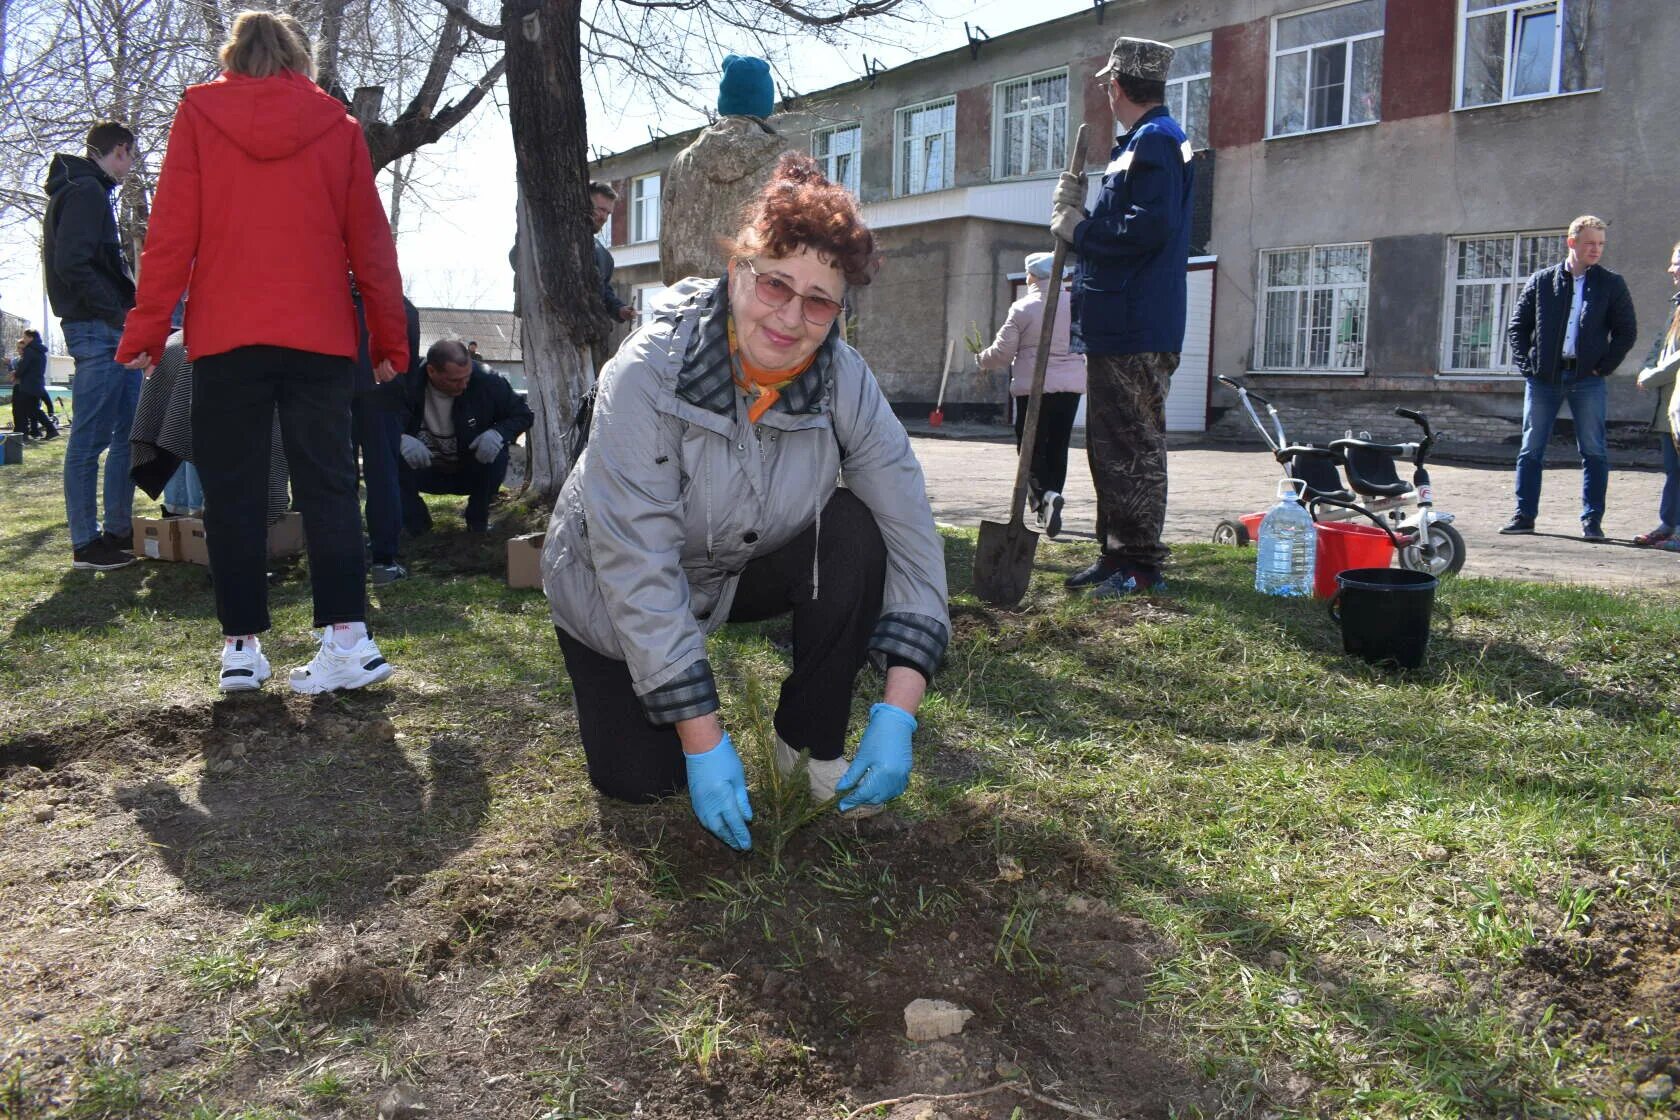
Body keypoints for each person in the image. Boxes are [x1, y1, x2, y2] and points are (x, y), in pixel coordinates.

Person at [542, 154, 950, 852]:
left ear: (839, 310)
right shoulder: (645, 374)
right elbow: (636, 564)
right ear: (738, 274)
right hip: (610, 593)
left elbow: (909, 524)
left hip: (737, 562)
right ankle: (676, 734)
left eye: (820, 300)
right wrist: (703, 738)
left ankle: (808, 745)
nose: (791, 318)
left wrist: (900, 711)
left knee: (854, 531)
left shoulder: (843, 379)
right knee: (642, 783)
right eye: (775, 285)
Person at [116, 10, 409, 694]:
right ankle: (349, 640)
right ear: (298, 61)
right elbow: (371, 243)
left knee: (234, 492)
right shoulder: (338, 128)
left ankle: (242, 649)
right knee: (330, 485)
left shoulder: (198, 114)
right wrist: (389, 339)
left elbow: (171, 233)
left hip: (226, 336)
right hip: (320, 337)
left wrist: (148, 328)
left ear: (231, 58)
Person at [1051, 36, 1193, 599]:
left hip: (1135, 322)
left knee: (1132, 444)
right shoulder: (1144, 141)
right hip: (1123, 321)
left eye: (1107, 84)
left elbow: (1146, 228)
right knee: (1111, 443)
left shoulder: (1156, 140)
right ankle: (1116, 556)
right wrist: (1081, 208)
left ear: (1116, 87)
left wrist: (1078, 230)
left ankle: (1139, 564)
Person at [1502, 215, 1639, 540]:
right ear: (1572, 242)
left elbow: (1626, 332)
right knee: (1531, 448)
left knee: (1593, 450)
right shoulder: (1542, 280)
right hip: (1544, 380)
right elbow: (1517, 327)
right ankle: (1524, 517)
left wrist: (1603, 367)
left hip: (1587, 380)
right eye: (1590, 243)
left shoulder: (1611, 283)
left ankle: (1592, 522)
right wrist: (1528, 366)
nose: (1596, 249)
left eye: (1601, 244)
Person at [44, 120, 140, 570]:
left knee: (127, 434)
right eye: (131, 157)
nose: (131, 167)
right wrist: (115, 313)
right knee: (90, 439)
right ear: (120, 150)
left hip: (109, 329)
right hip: (96, 330)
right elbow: (72, 263)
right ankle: (86, 544)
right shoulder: (85, 192)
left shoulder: (87, 190)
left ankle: (117, 530)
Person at [976, 252, 1084, 539]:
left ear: (1033, 276)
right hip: (1070, 389)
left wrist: (981, 359)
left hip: (1034, 390)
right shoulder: (1077, 304)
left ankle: (1044, 497)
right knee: (1057, 446)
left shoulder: (1023, 307)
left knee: (1030, 446)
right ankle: (1049, 503)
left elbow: (1002, 353)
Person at [659, 55, 783, 287]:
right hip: (755, 300)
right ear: (765, 102)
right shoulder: (781, 162)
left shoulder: (684, 161)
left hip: (689, 301)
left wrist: (672, 285)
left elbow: (667, 238)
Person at [398, 339, 532, 534]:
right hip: (423, 470)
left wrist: (498, 433)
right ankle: (415, 524)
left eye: (467, 377)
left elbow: (523, 414)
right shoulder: (407, 383)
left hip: (471, 469)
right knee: (387, 456)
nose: (463, 384)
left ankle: (478, 520)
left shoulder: (488, 380)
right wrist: (399, 438)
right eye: (454, 380)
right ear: (431, 371)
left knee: (497, 452)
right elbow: (374, 421)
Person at [354, 290, 421, 584]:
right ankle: (384, 560)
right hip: (384, 395)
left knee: (338, 480)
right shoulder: (398, 304)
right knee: (382, 476)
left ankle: (343, 557)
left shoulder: (329, 295)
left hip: (336, 393)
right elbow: (410, 365)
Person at [1633, 241, 1680, 550]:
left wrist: (1651, 376)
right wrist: (1646, 368)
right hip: (1670, 407)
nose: (1671, 269)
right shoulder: (1677, 303)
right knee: (1673, 471)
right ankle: (1669, 524)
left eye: (1678, 263)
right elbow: (1659, 348)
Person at [589, 182, 635, 325]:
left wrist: (620, 309)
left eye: (608, 213)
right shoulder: (558, 239)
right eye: (601, 209)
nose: (604, 218)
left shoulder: (605, 258)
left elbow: (604, 294)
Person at [12, 331, 58, 440]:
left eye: (25, 337)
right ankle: (50, 430)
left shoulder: (29, 350)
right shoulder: (40, 351)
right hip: (37, 383)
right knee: (33, 409)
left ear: (31, 337)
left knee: (25, 409)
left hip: (28, 385)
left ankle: (26, 433)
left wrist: (16, 374)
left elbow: (24, 366)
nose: (24, 339)